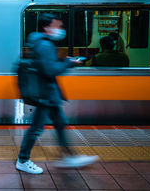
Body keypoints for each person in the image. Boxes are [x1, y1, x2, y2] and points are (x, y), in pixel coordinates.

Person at [16, 13, 98, 174]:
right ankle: (23, 160)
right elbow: (49, 70)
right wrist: (68, 63)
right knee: (36, 129)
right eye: (57, 26)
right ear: (46, 27)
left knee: (60, 124)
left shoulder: (41, 43)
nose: (60, 30)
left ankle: (68, 156)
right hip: (45, 95)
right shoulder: (45, 45)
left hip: (49, 94)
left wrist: (64, 62)